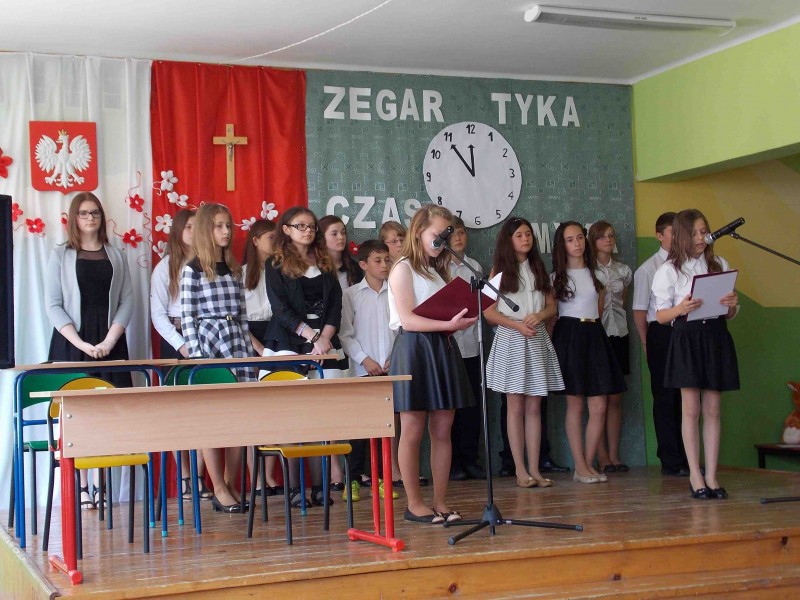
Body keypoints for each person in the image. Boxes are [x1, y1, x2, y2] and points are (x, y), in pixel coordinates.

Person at [388, 204, 477, 524]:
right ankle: (414, 503)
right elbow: (408, 319)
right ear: (418, 232)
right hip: (414, 349)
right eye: (436, 235)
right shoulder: (403, 268)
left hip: (442, 346)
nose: (441, 241)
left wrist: (458, 320)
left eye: (445, 235)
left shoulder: (439, 270)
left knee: (442, 429)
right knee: (412, 429)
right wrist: (448, 325)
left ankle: (440, 501)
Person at [45, 192, 134, 509]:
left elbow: (127, 301)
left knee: (107, 413)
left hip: (110, 339)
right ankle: (81, 487)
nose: (90, 218)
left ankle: (102, 485)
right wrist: (81, 343)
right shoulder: (60, 254)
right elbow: (53, 305)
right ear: (74, 218)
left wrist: (109, 342)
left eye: (94, 212)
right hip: (73, 342)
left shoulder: (116, 254)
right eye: (83, 213)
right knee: (76, 415)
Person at [652, 209, 739, 500]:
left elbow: (729, 313)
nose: (701, 238)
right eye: (694, 233)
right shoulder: (669, 270)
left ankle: (712, 475)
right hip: (686, 336)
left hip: (715, 335)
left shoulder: (719, 264)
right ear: (681, 236)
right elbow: (660, 316)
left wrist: (731, 304)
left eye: (704, 231)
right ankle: (695, 474)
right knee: (691, 409)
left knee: (713, 408)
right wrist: (681, 308)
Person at [263, 206, 344, 507]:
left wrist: (324, 339)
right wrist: (311, 337)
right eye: (301, 226)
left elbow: (335, 306)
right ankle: (296, 489)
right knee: (292, 417)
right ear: (286, 229)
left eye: (311, 226)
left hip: (323, 341)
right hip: (288, 339)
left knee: (321, 417)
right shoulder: (275, 263)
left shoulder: (324, 261)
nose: (308, 231)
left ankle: (321, 486)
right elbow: (280, 309)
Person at [180, 202, 255, 513]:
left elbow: (243, 315)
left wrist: (248, 352)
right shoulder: (193, 270)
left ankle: (231, 482)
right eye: (219, 226)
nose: (226, 231)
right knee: (212, 419)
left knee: (239, 418)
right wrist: (199, 359)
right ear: (205, 230)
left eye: (228, 225)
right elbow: (187, 318)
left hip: (236, 342)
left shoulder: (235, 269)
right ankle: (218, 488)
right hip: (210, 344)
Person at [484, 218, 564, 488]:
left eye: (528, 234)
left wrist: (539, 316)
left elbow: (551, 306)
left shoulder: (538, 267)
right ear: (508, 240)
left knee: (534, 406)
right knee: (515, 406)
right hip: (512, 338)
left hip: (536, 337)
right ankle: (519, 469)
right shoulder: (499, 271)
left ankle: (535, 468)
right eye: (519, 235)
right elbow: (489, 312)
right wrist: (517, 325)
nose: (525, 239)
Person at [551, 221, 626, 484]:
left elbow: (600, 308)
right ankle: (580, 466)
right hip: (569, 337)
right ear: (562, 245)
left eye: (580, 237)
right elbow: (552, 316)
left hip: (594, 334)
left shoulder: (597, 276)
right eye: (570, 239)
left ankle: (590, 462)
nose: (577, 243)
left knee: (599, 404)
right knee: (575, 404)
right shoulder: (556, 278)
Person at [150, 208, 210, 499]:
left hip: (206, 337)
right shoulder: (166, 267)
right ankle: (185, 477)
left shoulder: (209, 263)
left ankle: (199, 477)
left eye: (198, 227)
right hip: (177, 343)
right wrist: (182, 345)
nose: (194, 232)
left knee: (204, 411)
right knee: (177, 413)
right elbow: (158, 315)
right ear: (177, 231)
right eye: (188, 227)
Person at [339, 239, 399, 502]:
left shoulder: (395, 291)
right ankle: (352, 480)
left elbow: (400, 329)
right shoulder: (351, 295)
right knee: (359, 430)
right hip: (362, 370)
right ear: (363, 264)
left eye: (387, 260)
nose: (384, 265)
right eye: (378, 260)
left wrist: (394, 358)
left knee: (385, 428)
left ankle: (382, 480)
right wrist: (365, 360)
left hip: (390, 368)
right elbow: (345, 333)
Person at [632, 212, 688, 476]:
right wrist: (646, 342)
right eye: (673, 232)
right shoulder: (648, 269)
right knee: (665, 397)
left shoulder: (689, 264)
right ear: (659, 235)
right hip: (661, 333)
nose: (678, 237)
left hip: (685, 332)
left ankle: (688, 457)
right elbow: (640, 310)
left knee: (687, 396)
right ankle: (670, 459)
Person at [240, 219, 282, 496]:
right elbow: (237, 317)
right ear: (255, 241)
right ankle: (255, 477)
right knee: (251, 411)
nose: (275, 243)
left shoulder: (281, 271)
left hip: (276, 335)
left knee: (274, 408)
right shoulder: (242, 274)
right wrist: (256, 346)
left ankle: (269, 475)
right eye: (270, 237)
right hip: (250, 339)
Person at [589, 221, 633, 474]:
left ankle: (614, 454)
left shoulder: (623, 270)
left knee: (616, 397)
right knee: (600, 397)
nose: (608, 240)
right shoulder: (588, 270)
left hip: (620, 332)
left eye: (611, 236)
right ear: (593, 241)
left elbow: (621, 302)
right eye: (602, 236)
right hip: (598, 334)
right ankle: (602, 456)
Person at [447, 217, 486, 481]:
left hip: (472, 344)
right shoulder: (438, 266)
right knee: (451, 407)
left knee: (472, 406)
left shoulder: (475, 266)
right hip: (449, 344)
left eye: (462, 233)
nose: (459, 238)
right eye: (454, 234)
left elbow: (480, 305)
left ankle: (471, 460)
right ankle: (453, 464)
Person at [319, 215, 363, 290]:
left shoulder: (354, 267)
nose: (341, 237)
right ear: (322, 237)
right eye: (334, 234)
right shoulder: (314, 268)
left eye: (343, 233)